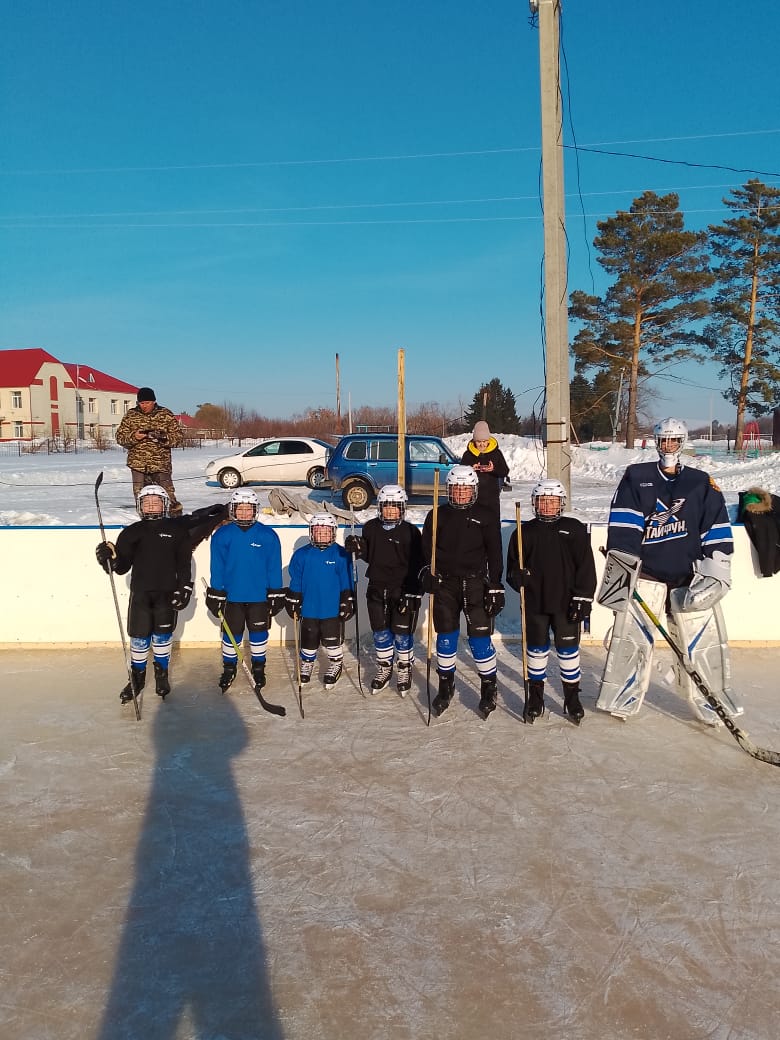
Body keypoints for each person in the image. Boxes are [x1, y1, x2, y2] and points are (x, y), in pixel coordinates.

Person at [597, 417, 741, 724]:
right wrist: (622, 578)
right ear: (656, 442)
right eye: (664, 440)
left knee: (702, 642)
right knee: (632, 638)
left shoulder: (700, 481)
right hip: (647, 574)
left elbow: (715, 527)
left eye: (675, 441)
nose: (669, 446)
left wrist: (718, 572)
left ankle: (712, 701)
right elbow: (624, 526)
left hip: (687, 577)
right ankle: (621, 695)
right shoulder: (637, 476)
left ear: (683, 442)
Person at [95, 485, 226, 702]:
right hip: (141, 594)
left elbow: (184, 563)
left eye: (156, 501)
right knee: (139, 637)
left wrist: (185, 587)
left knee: (162, 637)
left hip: (167, 593)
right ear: (140, 506)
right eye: (147, 502)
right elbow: (121, 567)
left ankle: (161, 675)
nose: (151, 505)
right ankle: (136, 680)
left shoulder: (176, 530)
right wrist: (109, 559)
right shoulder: (131, 532)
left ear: (165, 505)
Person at [506, 479, 596, 724]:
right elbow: (512, 570)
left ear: (561, 503)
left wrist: (582, 597)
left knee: (568, 651)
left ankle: (572, 698)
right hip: (535, 603)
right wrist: (517, 577)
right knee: (536, 652)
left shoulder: (574, 528)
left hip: (566, 604)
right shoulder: (523, 532)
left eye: (552, 501)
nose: (547, 505)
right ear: (535, 503)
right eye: (542, 501)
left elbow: (586, 567)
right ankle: (536, 697)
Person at [420, 465, 505, 720]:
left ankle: (489, 686)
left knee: (479, 640)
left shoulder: (486, 515)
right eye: (456, 489)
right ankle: (446, 686)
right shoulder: (437, 515)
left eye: (465, 490)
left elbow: (495, 553)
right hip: (445, 585)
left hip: (475, 584)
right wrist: (426, 573)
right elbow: (426, 551)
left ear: (474, 490)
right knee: (445, 638)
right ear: (448, 490)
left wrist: (496, 585)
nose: (460, 494)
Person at [205, 489, 287, 694]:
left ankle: (259, 668)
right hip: (232, 597)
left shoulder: (268, 535)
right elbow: (218, 566)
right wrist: (217, 592)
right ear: (232, 510)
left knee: (259, 634)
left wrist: (275, 592)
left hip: (259, 596)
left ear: (255, 510)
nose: (243, 512)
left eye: (248, 509)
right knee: (231, 635)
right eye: (239, 509)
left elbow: (273, 566)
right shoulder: (222, 535)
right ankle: (229, 668)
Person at [344, 484, 423, 696]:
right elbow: (371, 554)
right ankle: (384, 667)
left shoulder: (411, 532)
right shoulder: (370, 527)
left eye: (394, 506)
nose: (390, 510)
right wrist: (357, 548)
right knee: (380, 631)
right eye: (386, 506)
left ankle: (404, 668)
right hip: (377, 586)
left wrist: (414, 592)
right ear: (379, 507)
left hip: (401, 588)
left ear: (402, 508)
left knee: (401, 632)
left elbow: (418, 564)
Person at [285, 513, 355, 689]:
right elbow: (296, 579)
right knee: (309, 639)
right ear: (311, 532)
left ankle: (336, 663)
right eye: (318, 531)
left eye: (326, 531)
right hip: (309, 607)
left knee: (332, 641)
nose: (322, 534)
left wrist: (348, 598)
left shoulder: (341, 554)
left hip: (331, 608)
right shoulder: (302, 555)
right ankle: (307, 663)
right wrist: (294, 597)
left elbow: (346, 580)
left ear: (333, 533)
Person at [116, 387, 183, 516]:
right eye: (141, 403)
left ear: (153, 401)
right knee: (141, 495)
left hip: (160, 464)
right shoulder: (131, 415)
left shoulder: (165, 414)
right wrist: (134, 436)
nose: (144, 406)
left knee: (168, 494)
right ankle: (144, 520)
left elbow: (179, 438)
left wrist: (162, 437)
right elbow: (120, 438)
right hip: (138, 464)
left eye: (147, 403)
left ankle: (175, 520)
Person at [460, 420, 510, 526]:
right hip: (473, 500)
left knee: (493, 527)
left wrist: (493, 469)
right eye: (478, 442)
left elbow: (505, 471)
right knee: (474, 528)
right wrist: (470, 470)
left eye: (484, 441)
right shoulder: (468, 455)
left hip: (492, 499)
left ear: (488, 440)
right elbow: (460, 475)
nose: (482, 444)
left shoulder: (496, 453)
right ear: (474, 441)